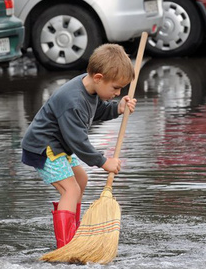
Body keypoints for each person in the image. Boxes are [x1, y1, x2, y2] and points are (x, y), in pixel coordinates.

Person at [21, 43, 137, 249]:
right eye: (116, 88)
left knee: (81, 179)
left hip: (60, 145)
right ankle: (66, 245)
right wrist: (103, 162)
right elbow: (79, 142)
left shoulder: (90, 88)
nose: (118, 93)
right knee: (71, 190)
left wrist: (117, 109)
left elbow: (96, 111)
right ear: (99, 78)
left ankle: (73, 230)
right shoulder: (73, 101)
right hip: (44, 147)